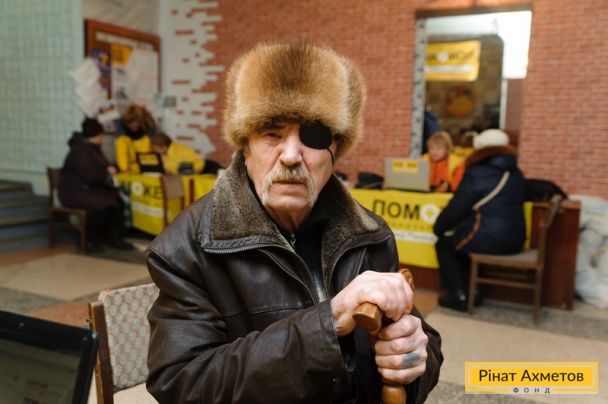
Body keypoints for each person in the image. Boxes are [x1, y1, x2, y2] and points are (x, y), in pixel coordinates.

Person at [146, 42, 442, 403]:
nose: (290, 155)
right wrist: (327, 324)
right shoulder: (188, 246)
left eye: (313, 137)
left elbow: (417, 343)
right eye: (271, 132)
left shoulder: (369, 235)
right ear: (246, 145)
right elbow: (181, 383)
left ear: (335, 150)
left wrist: (412, 359)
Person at [433, 129, 526, 311]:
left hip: (489, 239)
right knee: (462, 243)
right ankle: (474, 292)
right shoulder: (516, 173)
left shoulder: (478, 173)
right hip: (516, 240)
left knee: (445, 244)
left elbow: (457, 208)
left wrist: (438, 227)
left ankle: (459, 296)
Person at [58, 118, 134, 251]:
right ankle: (89, 240)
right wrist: (107, 173)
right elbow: (90, 175)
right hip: (74, 192)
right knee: (102, 205)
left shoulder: (92, 148)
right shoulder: (79, 151)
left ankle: (113, 239)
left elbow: (102, 167)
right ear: (98, 134)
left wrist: (111, 169)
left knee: (117, 200)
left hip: (87, 189)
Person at [114, 104, 156, 173]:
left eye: (137, 122)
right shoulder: (121, 136)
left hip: (146, 169)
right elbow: (122, 154)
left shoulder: (149, 133)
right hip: (128, 170)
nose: (134, 124)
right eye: (130, 122)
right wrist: (124, 170)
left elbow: (150, 155)